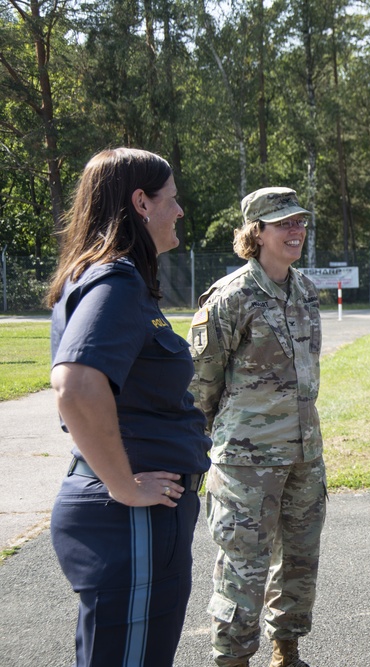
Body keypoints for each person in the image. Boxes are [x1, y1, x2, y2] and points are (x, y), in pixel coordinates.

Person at [47, 147, 211, 667]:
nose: (180, 211)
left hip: (131, 515)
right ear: (141, 202)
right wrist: (123, 483)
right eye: (172, 199)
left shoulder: (105, 277)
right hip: (130, 515)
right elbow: (74, 385)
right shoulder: (117, 280)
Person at [188, 186, 327, 667]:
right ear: (257, 233)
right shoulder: (232, 298)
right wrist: (213, 445)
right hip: (246, 463)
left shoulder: (306, 292)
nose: (296, 231)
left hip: (304, 456)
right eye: (284, 223)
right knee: (242, 570)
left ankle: (286, 652)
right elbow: (201, 385)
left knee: (298, 563)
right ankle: (232, 660)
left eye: (300, 222)